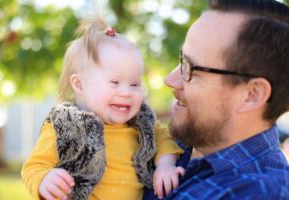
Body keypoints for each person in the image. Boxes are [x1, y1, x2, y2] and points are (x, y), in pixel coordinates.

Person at [21, 17, 185, 200]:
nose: (126, 93)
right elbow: (33, 166)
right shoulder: (65, 125)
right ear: (80, 85)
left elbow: (164, 140)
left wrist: (165, 165)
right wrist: (45, 180)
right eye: (114, 82)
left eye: (135, 84)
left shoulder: (142, 123)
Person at [144, 0, 289, 199]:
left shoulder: (256, 192)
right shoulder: (180, 146)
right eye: (181, 60)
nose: (169, 80)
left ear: (251, 95)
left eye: (190, 68)